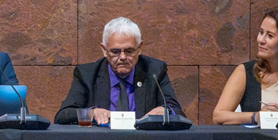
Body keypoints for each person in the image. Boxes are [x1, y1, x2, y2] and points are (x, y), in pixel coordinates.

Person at [55, 16, 183, 125]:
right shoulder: (87, 74)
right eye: (115, 52)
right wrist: (92, 112)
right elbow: (63, 115)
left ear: (139, 49)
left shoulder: (154, 70)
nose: (122, 57)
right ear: (104, 50)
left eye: (129, 51)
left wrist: (165, 111)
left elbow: (176, 110)